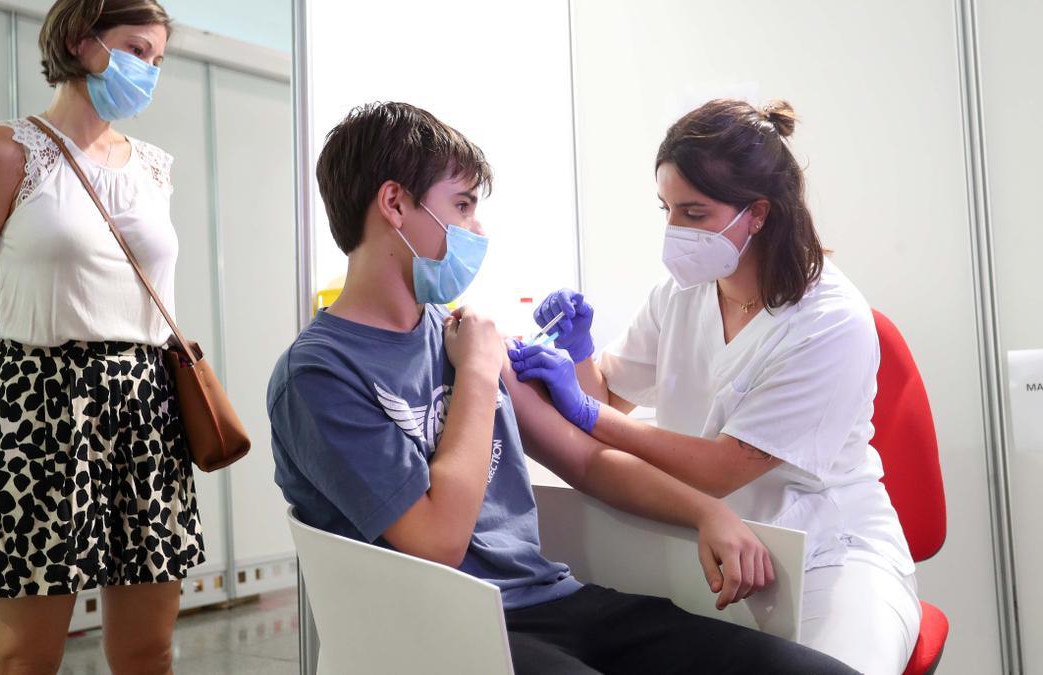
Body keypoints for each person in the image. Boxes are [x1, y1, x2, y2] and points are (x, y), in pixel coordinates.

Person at [268, 101, 855, 674]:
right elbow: (438, 543)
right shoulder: (318, 375)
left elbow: (589, 461)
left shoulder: (452, 331)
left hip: (553, 600)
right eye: (464, 205)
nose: (476, 229)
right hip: (445, 629)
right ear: (394, 203)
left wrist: (707, 514)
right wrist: (476, 371)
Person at [511, 98, 920, 675]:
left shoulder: (830, 321)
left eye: (694, 213)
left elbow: (719, 468)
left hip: (830, 557)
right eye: (667, 209)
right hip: (714, 545)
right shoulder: (681, 293)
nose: (674, 231)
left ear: (757, 213)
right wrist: (580, 357)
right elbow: (606, 396)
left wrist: (582, 411)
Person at [0, 1, 200, 672]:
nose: (148, 71)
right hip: (35, 412)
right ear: (81, 41)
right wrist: (25, 399)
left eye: (158, 60)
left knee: (149, 649)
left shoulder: (155, 168)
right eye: (137, 50)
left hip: (148, 413)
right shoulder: (2, 151)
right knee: (24, 655)